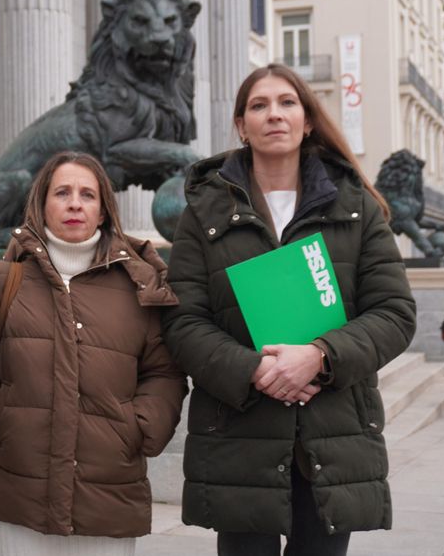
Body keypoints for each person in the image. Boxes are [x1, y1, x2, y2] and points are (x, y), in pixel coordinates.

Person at [162, 64, 416, 556]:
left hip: (332, 431)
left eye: (286, 103)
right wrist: (253, 369)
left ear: (308, 120)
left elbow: (394, 312)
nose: (273, 115)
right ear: (241, 125)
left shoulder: (355, 205)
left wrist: (320, 357)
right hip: (240, 435)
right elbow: (182, 319)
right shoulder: (204, 211)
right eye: (259, 105)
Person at [0, 152, 187, 555]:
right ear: (42, 205)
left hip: (109, 492)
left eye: (87, 194)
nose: (75, 203)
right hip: (19, 489)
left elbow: (163, 374)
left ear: (102, 212)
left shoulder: (139, 285)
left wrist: (140, 427)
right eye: (62, 192)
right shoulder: (0, 280)